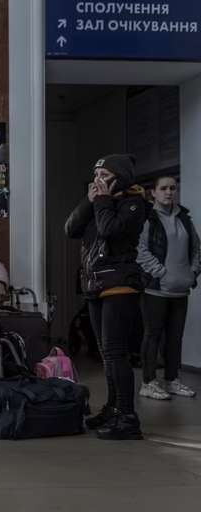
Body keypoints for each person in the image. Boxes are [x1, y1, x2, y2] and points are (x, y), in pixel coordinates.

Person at [65, 154, 147, 440]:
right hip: (95, 284)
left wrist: (101, 202)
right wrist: (90, 200)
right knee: (105, 354)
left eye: (104, 176)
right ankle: (113, 408)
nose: (98, 181)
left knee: (116, 353)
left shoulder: (134, 203)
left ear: (120, 178)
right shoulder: (99, 202)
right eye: (96, 175)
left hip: (119, 284)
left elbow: (110, 230)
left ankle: (128, 417)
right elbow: (71, 228)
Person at [136, 176, 200, 400]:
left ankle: (172, 380)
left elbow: (196, 248)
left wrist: (191, 273)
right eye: (163, 188)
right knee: (152, 336)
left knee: (175, 337)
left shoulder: (184, 217)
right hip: (155, 290)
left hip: (181, 290)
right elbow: (140, 251)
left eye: (173, 188)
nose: (169, 192)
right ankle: (148, 382)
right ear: (153, 192)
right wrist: (161, 273)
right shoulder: (148, 219)